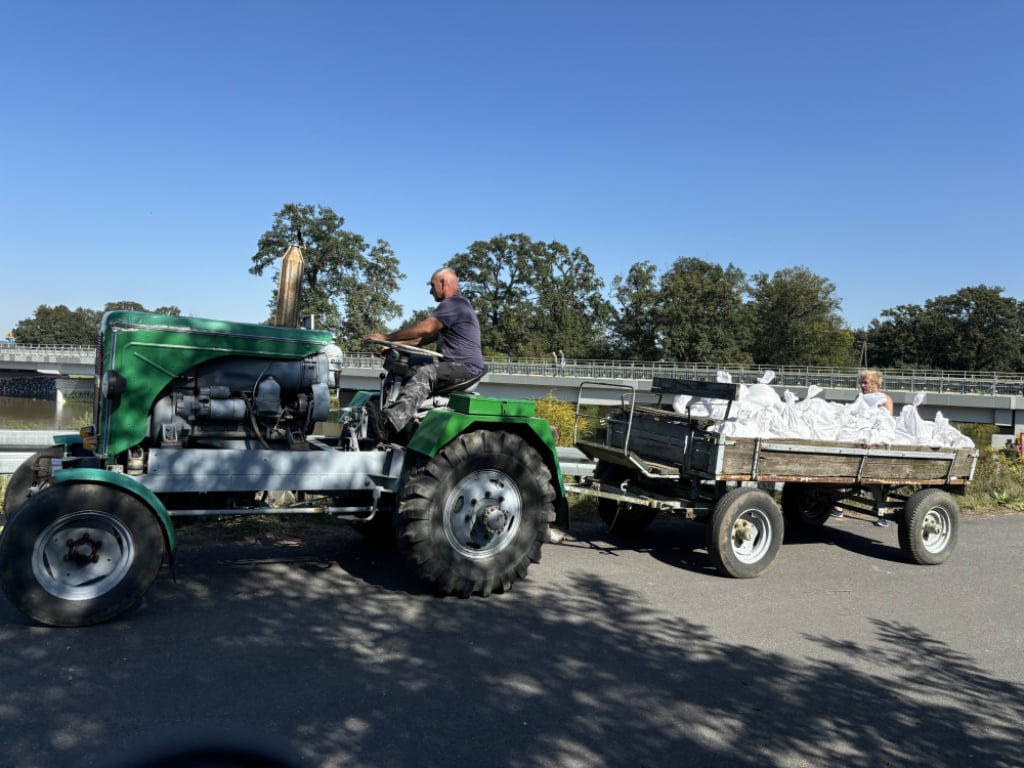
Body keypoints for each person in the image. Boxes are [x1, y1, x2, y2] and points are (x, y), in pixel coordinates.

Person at [364, 267, 486, 442]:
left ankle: (389, 424)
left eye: (432, 285)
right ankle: (390, 415)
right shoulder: (453, 309)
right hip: (451, 365)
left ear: (443, 283)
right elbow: (421, 339)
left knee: (426, 372)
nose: (430, 291)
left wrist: (387, 336)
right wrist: (393, 345)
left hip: (465, 369)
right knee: (406, 364)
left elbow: (425, 328)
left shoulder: (455, 304)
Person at [831, 369, 895, 526]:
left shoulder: (885, 400)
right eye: (861, 382)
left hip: (876, 444)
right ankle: (838, 507)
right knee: (842, 467)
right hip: (858, 441)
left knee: (879, 478)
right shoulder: (859, 398)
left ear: (876, 384)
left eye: (865, 382)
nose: (862, 385)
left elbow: (885, 423)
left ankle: (882, 512)